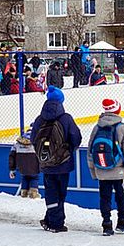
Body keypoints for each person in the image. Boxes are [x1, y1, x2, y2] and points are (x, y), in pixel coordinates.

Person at [31, 86, 82, 233]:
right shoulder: (66, 119)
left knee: (51, 191)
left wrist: (44, 155)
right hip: (63, 163)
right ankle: (56, 223)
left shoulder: (39, 119)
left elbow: (34, 139)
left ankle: (51, 219)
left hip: (46, 163)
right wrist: (67, 151)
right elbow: (76, 137)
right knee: (60, 192)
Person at [88, 99, 124, 235]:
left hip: (101, 171)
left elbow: (90, 152)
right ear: (117, 110)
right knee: (120, 196)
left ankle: (106, 225)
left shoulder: (97, 127)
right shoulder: (123, 128)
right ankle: (122, 222)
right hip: (119, 172)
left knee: (104, 197)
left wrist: (94, 172)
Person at [9, 134, 41, 199]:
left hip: (22, 168)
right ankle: (33, 193)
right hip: (34, 167)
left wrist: (12, 169)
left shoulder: (16, 144)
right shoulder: (37, 143)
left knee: (25, 177)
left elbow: (12, 157)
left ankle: (24, 193)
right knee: (34, 178)